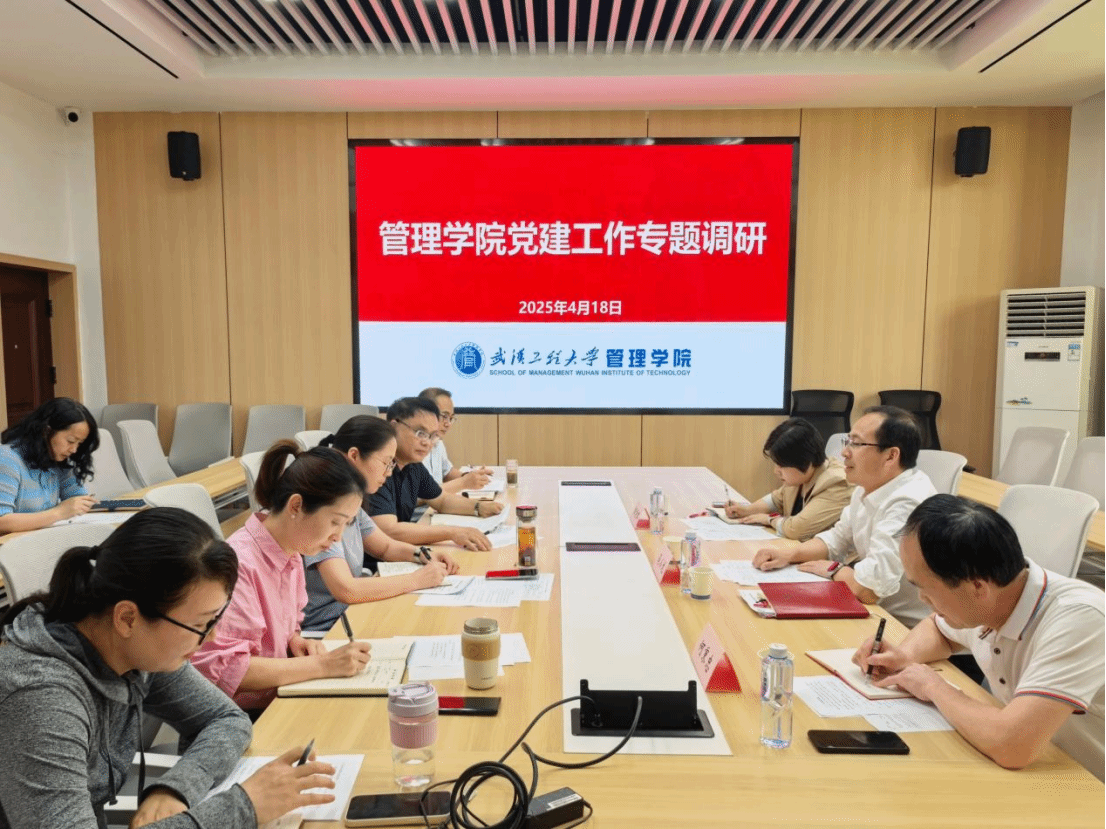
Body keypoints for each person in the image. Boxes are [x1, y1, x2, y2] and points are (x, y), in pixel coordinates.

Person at [0, 507, 336, 829]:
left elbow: (226, 719)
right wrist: (246, 806)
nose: (211, 637)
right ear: (127, 618)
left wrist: (175, 788)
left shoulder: (134, 647)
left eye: (214, 620)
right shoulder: (41, 700)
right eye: (201, 624)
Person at [854, 495, 1104, 780]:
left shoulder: (1080, 619)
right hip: (1040, 768)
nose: (922, 600)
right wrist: (904, 656)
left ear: (977, 588)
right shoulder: (995, 595)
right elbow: (938, 629)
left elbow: (1012, 745)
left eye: (925, 589)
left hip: (1086, 782)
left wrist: (933, 686)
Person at [191, 443, 373, 713]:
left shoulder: (291, 551)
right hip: (240, 717)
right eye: (335, 522)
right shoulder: (239, 565)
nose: (338, 537)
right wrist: (322, 665)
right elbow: (228, 669)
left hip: (278, 697)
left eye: (346, 524)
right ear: (296, 506)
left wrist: (294, 641)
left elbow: (287, 626)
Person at [752, 406, 935, 627]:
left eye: (856, 444)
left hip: (900, 626)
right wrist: (789, 554)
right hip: (869, 610)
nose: (844, 452)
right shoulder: (867, 487)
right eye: (847, 441)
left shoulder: (907, 502)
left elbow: (868, 590)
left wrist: (834, 570)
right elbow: (836, 539)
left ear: (891, 455)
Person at [301, 416, 461, 632]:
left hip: (351, 612)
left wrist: (423, 554)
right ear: (354, 456)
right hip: (328, 627)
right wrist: (416, 580)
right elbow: (346, 589)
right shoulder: (324, 502)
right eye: (386, 463)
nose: (389, 472)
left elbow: (385, 547)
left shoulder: (349, 498)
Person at [368, 397, 504, 551]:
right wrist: (453, 533)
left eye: (432, 436)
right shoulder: (377, 467)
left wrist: (479, 507)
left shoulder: (413, 465)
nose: (427, 443)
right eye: (420, 433)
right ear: (394, 427)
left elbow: (442, 500)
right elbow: (389, 530)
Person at [724, 417, 852, 540]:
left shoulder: (838, 483)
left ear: (805, 460)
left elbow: (797, 529)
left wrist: (769, 519)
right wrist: (746, 510)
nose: (776, 471)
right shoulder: (802, 477)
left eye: (781, 465)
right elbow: (776, 499)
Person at [0, 397, 99, 533]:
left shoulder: (55, 458)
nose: (74, 450)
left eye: (79, 443)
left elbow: (76, 499)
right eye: (71, 441)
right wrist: (59, 513)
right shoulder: (6, 459)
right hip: (11, 544)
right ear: (46, 431)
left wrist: (80, 504)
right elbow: (1, 521)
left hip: (42, 539)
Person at [417, 387, 493, 493]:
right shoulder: (411, 447)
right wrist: (463, 483)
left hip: (439, 502)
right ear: (424, 413)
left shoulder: (438, 442)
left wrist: (470, 476)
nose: (448, 424)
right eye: (444, 416)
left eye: (451, 418)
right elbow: (419, 496)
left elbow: (447, 472)